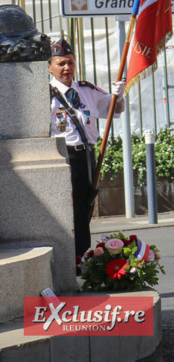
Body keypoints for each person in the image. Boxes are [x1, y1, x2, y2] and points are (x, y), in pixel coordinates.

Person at [49, 39, 125, 259]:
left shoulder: (87, 90)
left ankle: (82, 259)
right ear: (49, 66)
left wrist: (118, 96)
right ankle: (67, 260)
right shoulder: (45, 95)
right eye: (61, 63)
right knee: (68, 212)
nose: (67, 68)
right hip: (63, 157)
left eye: (70, 63)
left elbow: (115, 109)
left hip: (87, 156)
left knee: (84, 210)